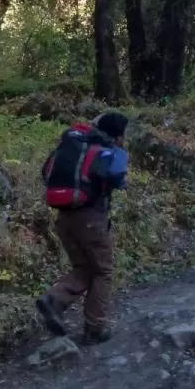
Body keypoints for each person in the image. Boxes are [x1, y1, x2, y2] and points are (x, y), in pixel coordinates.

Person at [36, 111, 130, 343]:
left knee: (84, 267)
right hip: (90, 218)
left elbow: (45, 172)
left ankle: (54, 300)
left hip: (64, 219)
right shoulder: (105, 151)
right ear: (117, 135)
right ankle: (94, 328)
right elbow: (117, 178)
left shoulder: (72, 147)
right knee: (103, 271)